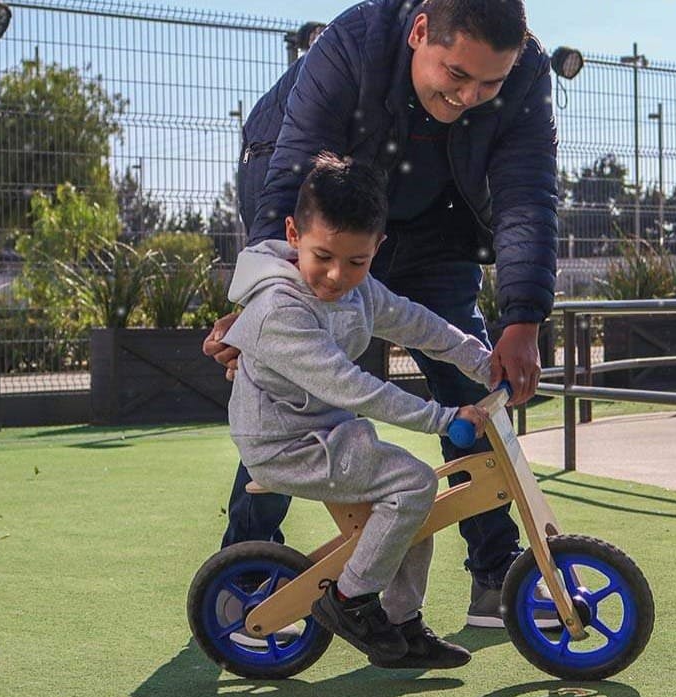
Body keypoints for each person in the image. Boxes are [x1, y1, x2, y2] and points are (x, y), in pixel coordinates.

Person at [203, 0, 558, 627]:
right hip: (330, 226)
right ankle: (249, 572)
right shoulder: (353, 45)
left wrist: (524, 318)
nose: (469, 97)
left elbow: (527, 193)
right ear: (420, 31)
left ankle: (495, 575)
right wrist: (263, 296)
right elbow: (292, 172)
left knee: (470, 385)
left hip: (436, 225)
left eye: (489, 84)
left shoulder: (527, 69)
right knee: (291, 390)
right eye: (456, 74)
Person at [226, 152, 491, 668]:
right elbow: (352, 387)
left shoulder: (360, 290)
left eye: (356, 262)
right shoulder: (279, 309)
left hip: (328, 431)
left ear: (377, 249)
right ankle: (348, 601)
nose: (335, 276)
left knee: (413, 506)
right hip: (283, 444)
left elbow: (415, 322)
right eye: (323, 256)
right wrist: (443, 418)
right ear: (293, 234)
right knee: (413, 484)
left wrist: (481, 361)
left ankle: (400, 621)